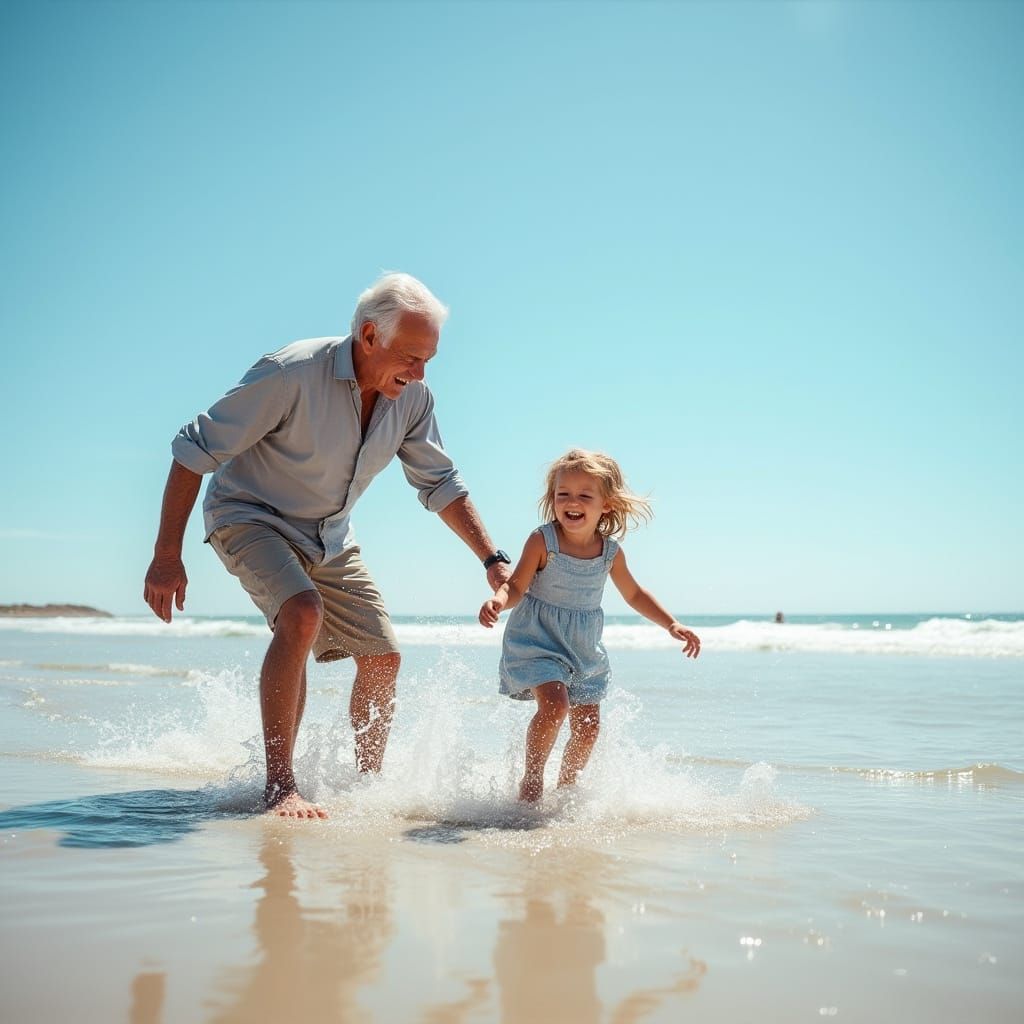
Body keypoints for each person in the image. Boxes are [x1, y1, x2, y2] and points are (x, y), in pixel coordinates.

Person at [144, 273, 511, 819]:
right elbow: (192, 450)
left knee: (383, 657)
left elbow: (440, 483)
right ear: (368, 336)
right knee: (300, 612)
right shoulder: (291, 372)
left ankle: (368, 789)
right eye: (410, 356)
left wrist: (492, 559)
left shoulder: (412, 399)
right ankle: (281, 788)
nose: (420, 373)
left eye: (428, 359)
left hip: (330, 534)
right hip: (249, 515)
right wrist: (167, 556)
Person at [479, 449, 701, 802]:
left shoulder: (610, 552)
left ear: (606, 504)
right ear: (552, 499)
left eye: (585, 495)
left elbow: (634, 593)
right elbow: (518, 586)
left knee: (588, 727)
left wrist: (671, 624)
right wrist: (499, 600)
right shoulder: (543, 540)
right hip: (537, 640)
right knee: (554, 706)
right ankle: (532, 782)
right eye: (562, 493)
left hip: (583, 647)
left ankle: (566, 791)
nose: (572, 502)